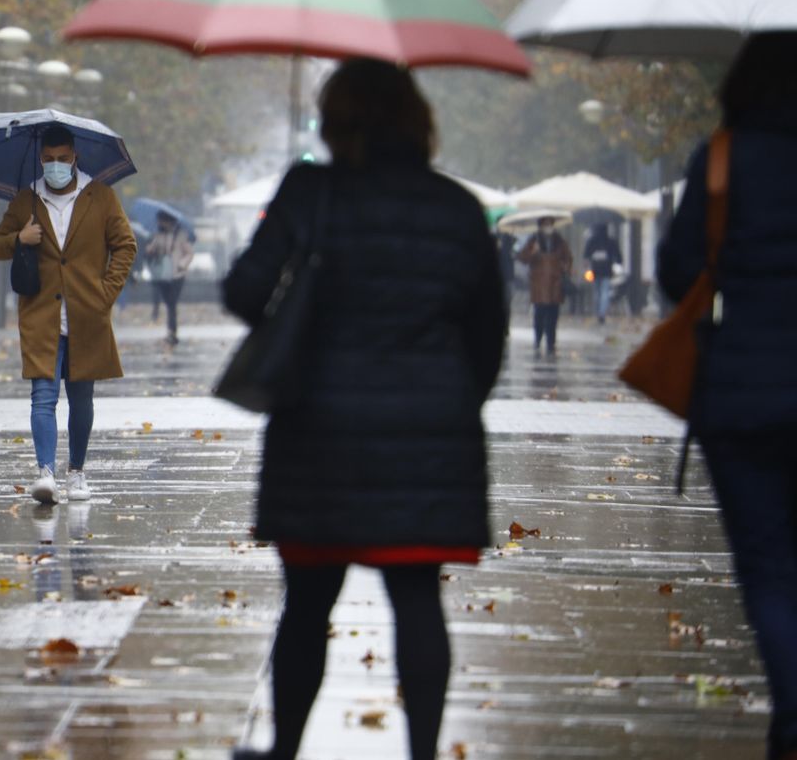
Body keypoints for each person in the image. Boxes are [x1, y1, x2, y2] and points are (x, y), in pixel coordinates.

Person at [222, 60, 505, 760]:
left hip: (319, 431)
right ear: (418, 120)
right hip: (427, 433)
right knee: (417, 599)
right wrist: (449, 403)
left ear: (333, 118)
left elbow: (243, 295)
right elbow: (488, 332)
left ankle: (284, 747)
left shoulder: (311, 193)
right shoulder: (457, 209)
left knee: (308, 603)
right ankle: (424, 752)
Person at [657, 31, 797, 760]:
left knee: (769, 565)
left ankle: (794, 713)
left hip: (742, 390)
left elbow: (679, 270)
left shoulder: (720, 159)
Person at [0, 124, 137, 505]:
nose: (56, 165)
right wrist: (18, 239)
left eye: (63, 159)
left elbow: (125, 245)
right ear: (41, 159)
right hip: (41, 314)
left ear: (75, 158)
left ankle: (77, 472)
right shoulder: (26, 201)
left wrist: (105, 293)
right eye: (49, 159)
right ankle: (45, 473)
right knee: (43, 395)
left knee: (81, 397)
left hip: (87, 313)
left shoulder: (101, 197)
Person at [518, 216, 572, 353]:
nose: (548, 227)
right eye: (546, 224)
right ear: (541, 226)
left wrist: (565, 267)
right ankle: (538, 339)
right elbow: (523, 258)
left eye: (550, 224)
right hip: (539, 284)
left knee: (553, 315)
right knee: (539, 314)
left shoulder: (559, 241)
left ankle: (551, 341)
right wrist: (533, 252)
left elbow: (568, 258)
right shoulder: (534, 240)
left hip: (555, 283)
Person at [142, 210, 195, 344]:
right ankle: (171, 332)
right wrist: (150, 249)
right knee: (169, 303)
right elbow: (152, 249)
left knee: (171, 303)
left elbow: (189, 253)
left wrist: (182, 264)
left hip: (177, 274)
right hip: (163, 275)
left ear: (168, 221)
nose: (159, 223)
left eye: (161, 220)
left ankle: (172, 332)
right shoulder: (158, 234)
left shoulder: (181, 235)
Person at [583, 222, 620, 324]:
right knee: (604, 292)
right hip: (607, 270)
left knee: (597, 292)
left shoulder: (591, 241)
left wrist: (587, 267)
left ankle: (598, 311)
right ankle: (602, 313)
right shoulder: (611, 241)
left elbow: (586, 256)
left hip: (595, 271)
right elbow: (618, 256)